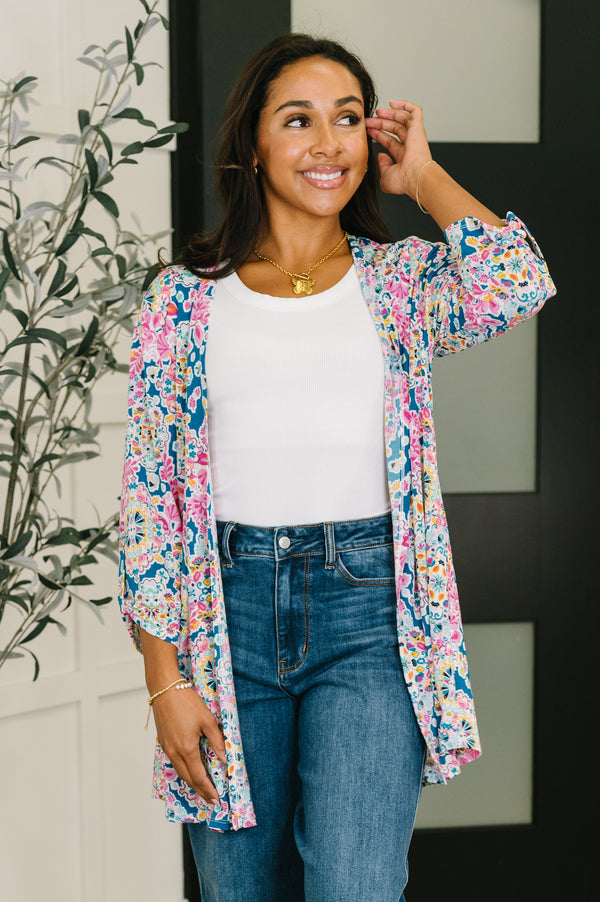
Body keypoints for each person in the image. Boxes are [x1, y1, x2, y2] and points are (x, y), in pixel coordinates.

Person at [118, 33, 555, 902]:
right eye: (299, 120)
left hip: (369, 616)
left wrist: (421, 176)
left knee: (356, 886)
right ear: (252, 145)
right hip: (220, 617)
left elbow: (517, 279)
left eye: (348, 119)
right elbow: (149, 507)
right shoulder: (185, 299)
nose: (329, 143)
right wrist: (165, 682)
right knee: (240, 889)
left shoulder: (399, 285)